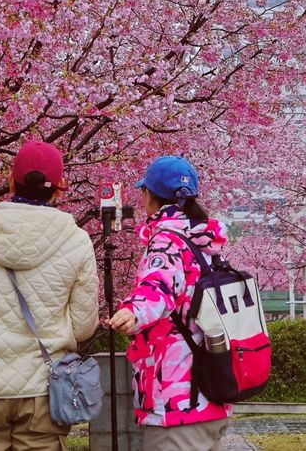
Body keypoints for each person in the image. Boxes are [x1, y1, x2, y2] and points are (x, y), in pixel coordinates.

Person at [0, 139, 99, 451]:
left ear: (12, 180)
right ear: (59, 187)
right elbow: (83, 327)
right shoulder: (77, 241)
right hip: (43, 389)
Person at [109, 155, 232, 451]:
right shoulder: (206, 244)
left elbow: (158, 286)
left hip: (176, 401)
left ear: (149, 196)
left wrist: (133, 311)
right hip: (212, 392)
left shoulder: (167, 241)